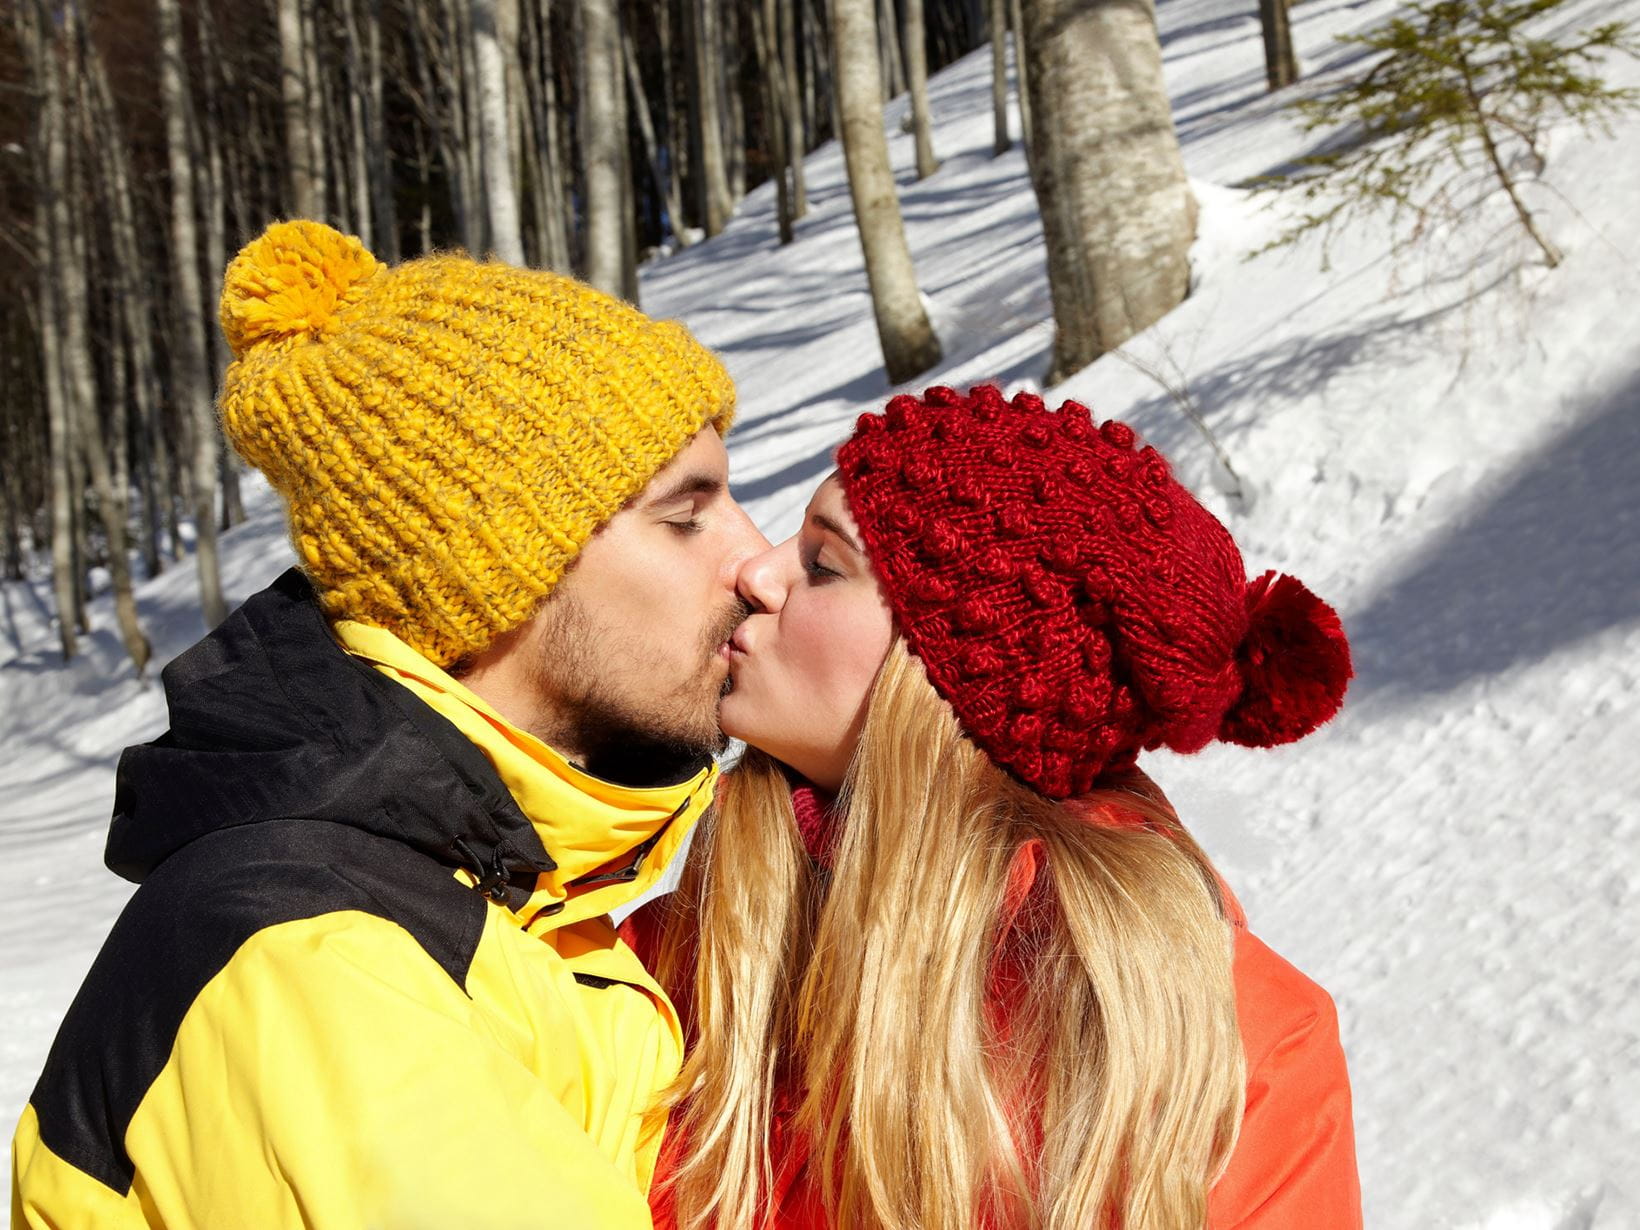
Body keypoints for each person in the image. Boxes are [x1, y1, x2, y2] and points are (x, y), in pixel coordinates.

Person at [10, 221, 767, 1230]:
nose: (757, 562)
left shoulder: (506, 898)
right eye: (684, 515)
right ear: (493, 575)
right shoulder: (317, 960)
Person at [628, 384, 1363, 1229]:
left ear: (951, 683)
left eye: (823, 564)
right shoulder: (686, 957)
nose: (757, 572)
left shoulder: (1230, 1052)